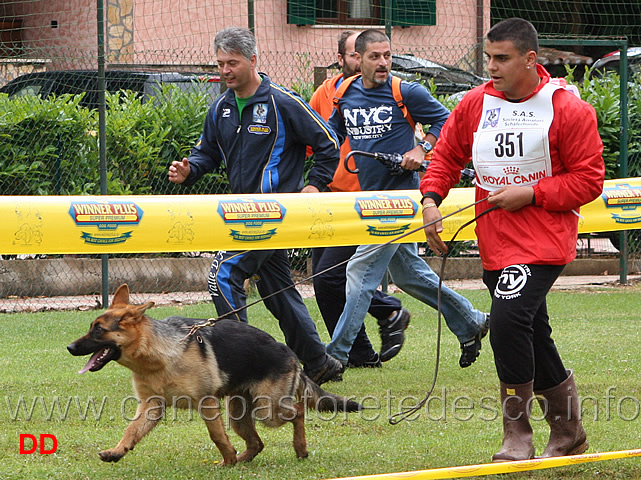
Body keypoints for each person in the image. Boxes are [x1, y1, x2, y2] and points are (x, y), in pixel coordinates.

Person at [420, 18, 604, 461]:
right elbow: (445, 154)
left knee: (505, 321)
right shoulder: (475, 103)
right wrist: (430, 200)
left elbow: (589, 180)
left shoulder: (569, 110)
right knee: (532, 330)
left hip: (544, 240)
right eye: (488, 58)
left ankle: (516, 433)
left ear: (530, 59)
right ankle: (569, 432)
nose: (492, 67)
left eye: (501, 59)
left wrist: (533, 193)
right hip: (494, 239)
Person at [168, 27, 344, 385]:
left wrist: (314, 185)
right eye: (220, 63)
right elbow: (208, 154)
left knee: (223, 276)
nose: (225, 71)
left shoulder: (283, 102)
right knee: (277, 289)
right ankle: (318, 362)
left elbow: (328, 142)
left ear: (253, 60)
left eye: (232, 63)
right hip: (241, 215)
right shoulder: (220, 108)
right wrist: (189, 170)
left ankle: (241, 366)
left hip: (274, 217)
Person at [326, 29, 489, 370]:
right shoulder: (344, 93)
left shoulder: (406, 91)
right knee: (409, 275)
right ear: (358, 60)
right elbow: (332, 133)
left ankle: (334, 357)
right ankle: (471, 321)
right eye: (375, 57)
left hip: (400, 200)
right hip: (368, 200)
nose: (383, 63)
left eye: (387, 55)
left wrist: (422, 148)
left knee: (358, 271)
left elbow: (447, 121)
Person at [308, 30, 410, 368]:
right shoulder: (328, 94)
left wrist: (419, 148)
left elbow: (419, 129)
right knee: (326, 283)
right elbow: (318, 141)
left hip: (368, 203)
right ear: (343, 60)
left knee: (332, 277)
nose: (372, 62)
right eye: (358, 55)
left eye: (383, 56)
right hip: (331, 201)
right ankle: (367, 348)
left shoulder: (394, 92)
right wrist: (313, 183)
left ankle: (380, 318)